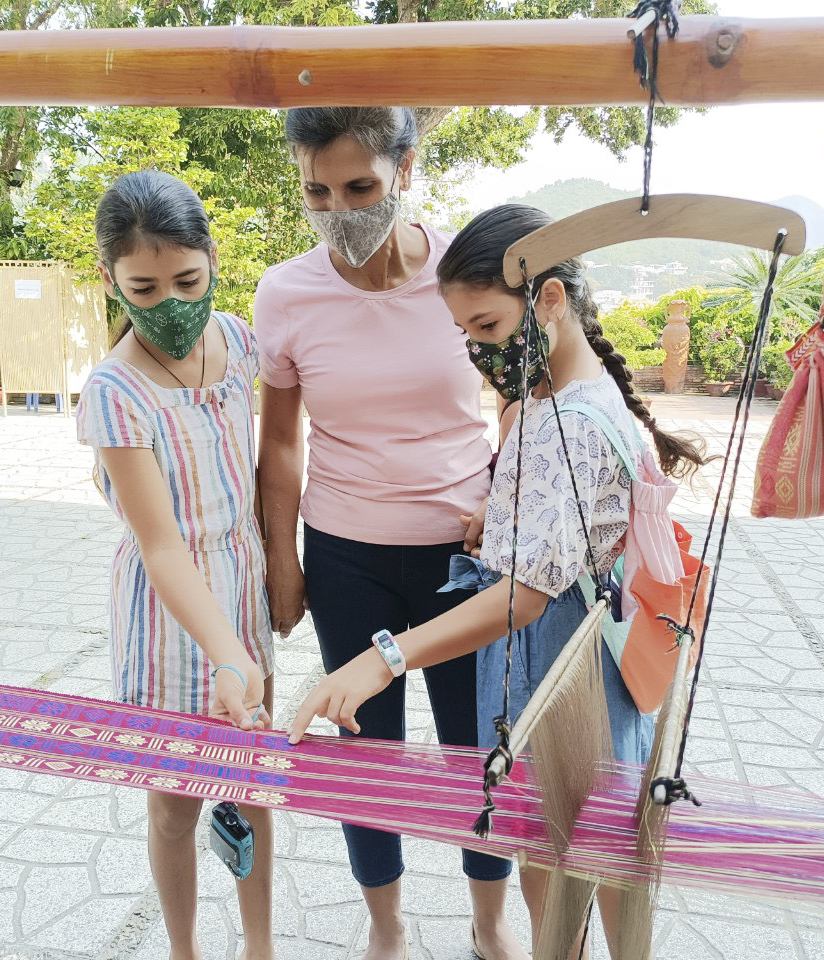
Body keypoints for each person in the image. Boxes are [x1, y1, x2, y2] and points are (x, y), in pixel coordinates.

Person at [286, 204, 708, 957]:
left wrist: (382, 658)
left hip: (559, 680)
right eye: (466, 335)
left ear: (547, 300)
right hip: (591, 670)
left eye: (485, 327)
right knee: (597, 863)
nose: (479, 352)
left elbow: (524, 597)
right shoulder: (564, 399)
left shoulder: (567, 423)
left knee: (570, 873)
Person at [254, 108, 525, 960]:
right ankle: (388, 928)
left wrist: (505, 494)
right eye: (317, 191)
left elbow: (521, 386)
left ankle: (488, 925)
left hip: (464, 557)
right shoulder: (286, 293)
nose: (340, 208)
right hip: (344, 555)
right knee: (365, 748)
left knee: (473, 749)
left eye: (360, 186)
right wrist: (282, 564)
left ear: (405, 166)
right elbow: (279, 440)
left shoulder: (463, 272)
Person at [75, 170, 275, 960]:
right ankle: (184, 951)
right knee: (176, 801)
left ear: (212, 259)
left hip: (241, 586)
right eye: (145, 289)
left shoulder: (238, 342)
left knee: (252, 782)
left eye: (188, 281)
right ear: (111, 282)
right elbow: (160, 543)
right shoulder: (115, 392)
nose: (172, 305)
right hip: (167, 613)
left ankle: (260, 947)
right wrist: (225, 650)